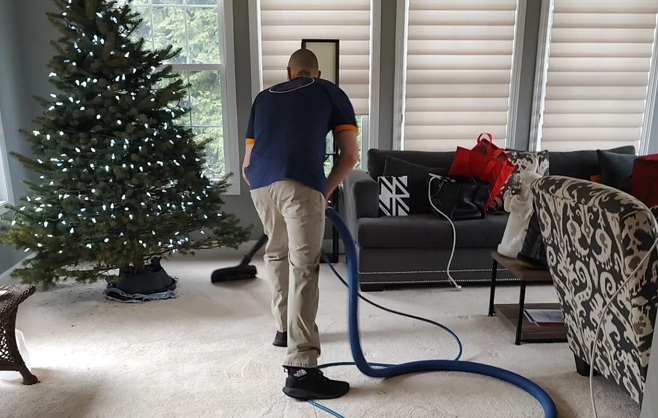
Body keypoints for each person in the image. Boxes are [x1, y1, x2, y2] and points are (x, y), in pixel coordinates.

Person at [242, 49, 359, 400]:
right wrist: (324, 190)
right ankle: (301, 369)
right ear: (317, 73)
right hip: (300, 183)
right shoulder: (329, 91)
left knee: (276, 253)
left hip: (260, 185)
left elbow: (246, 164)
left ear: (289, 71)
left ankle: (283, 329)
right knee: (304, 267)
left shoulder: (263, 97)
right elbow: (349, 155)